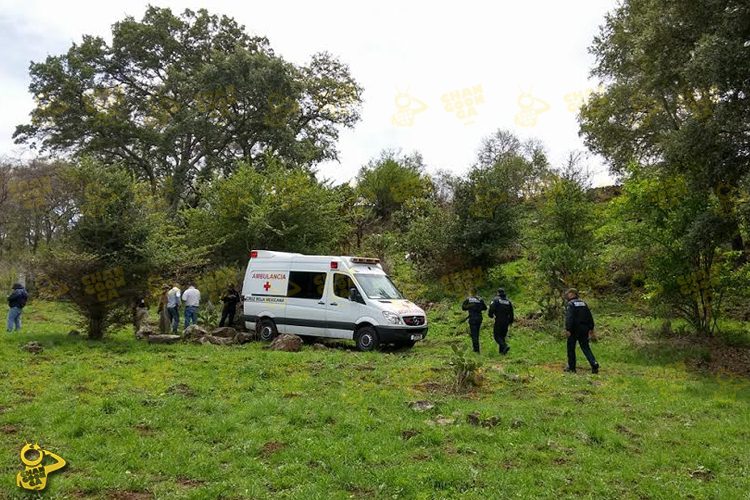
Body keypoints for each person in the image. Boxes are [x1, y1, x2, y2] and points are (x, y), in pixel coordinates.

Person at [564, 288, 599, 374]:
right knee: (585, 347)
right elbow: (589, 316)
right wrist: (591, 328)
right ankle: (594, 363)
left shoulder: (571, 304)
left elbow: (569, 317)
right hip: (584, 329)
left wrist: (568, 329)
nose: (567, 296)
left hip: (574, 329)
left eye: (568, 294)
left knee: (571, 348)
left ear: (572, 294)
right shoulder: (584, 303)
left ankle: (572, 368)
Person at [488, 287, 514, 355]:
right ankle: (502, 352)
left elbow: (492, 308)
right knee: (502, 336)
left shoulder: (496, 300)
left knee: (496, 336)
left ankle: (505, 346)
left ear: (498, 293)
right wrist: (511, 321)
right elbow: (511, 312)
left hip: (499, 319)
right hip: (506, 320)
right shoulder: (508, 301)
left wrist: (490, 315)